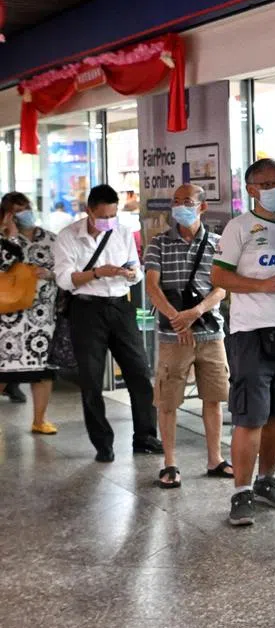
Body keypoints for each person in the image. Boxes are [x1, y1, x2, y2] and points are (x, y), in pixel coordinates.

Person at [212, 159, 275, 526]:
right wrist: (259, 286)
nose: (274, 188)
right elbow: (218, 276)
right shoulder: (239, 228)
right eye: (265, 183)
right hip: (251, 333)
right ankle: (241, 491)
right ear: (251, 189)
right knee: (250, 416)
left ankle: (267, 480)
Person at [53, 185, 161, 462]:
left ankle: (146, 437)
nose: (109, 222)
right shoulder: (68, 237)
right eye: (104, 216)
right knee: (90, 379)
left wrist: (131, 272)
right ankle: (103, 444)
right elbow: (65, 279)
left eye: (113, 215)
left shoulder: (122, 232)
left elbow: (136, 272)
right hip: (86, 310)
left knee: (139, 372)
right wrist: (97, 273)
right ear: (89, 210)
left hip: (119, 307)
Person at [143, 184, 231, 488]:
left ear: (202, 207)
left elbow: (221, 287)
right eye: (176, 201)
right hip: (172, 336)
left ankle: (215, 458)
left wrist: (195, 313)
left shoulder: (217, 244)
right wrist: (175, 318)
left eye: (188, 202)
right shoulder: (159, 244)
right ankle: (169, 463)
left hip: (210, 332)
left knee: (214, 397)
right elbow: (152, 286)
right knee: (167, 400)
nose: (181, 206)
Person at [0, 192, 59, 434]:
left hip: (42, 317)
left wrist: (51, 274)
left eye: (27, 208)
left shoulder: (50, 239)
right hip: (8, 317)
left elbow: (66, 269)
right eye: (17, 211)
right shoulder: (3, 240)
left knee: (42, 371)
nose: (24, 214)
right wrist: (9, 237)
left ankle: (39, 419)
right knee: (2, 369)